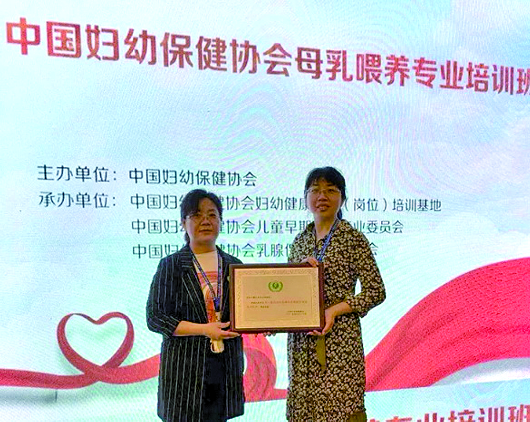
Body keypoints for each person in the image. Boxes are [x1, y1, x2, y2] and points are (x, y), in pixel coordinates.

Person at [287, 167, 386, 422]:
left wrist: (334, 310)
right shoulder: (299, 240)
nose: (322, 196)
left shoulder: (352, 238)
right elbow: (287, 291)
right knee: (303, 411)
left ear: (342, 198)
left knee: (341, 411)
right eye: (315, 190)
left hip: (339, 342)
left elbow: (376, 290)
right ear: (305, 197)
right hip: (302, 344)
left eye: (331, 190)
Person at [146, 189, 245, 422]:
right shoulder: (171, 265)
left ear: (220, 221)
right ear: (184, 223)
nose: (206, 221)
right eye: (197, 215)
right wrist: (204, 329)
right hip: (184, 373)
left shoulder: (234, 265)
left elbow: (247, 312)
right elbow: (156, 318)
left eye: (212, 215)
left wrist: (267, 322)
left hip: (224, 368)